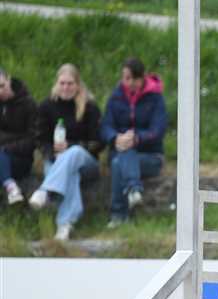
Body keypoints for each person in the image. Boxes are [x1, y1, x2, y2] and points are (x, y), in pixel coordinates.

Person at [28, 64, 104, 240]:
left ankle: (45, 190)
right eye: (62, 83)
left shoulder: (90, 107)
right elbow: (39, 139)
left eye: (70, 83)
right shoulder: (47, 106)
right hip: (55, 159)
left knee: (74, 153)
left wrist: (70, 146)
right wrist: (52, 151)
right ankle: (65, 225)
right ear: (57, 83)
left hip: (86, 162)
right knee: (70, 173)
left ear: (78, 84)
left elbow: (99, 142)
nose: (66, 87)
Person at [100, 57, 167, 227]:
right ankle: (134, 188)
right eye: (124, 78)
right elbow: (105, 126)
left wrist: (136, 138)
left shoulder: (156, 99)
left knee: (119, 162)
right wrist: (116, 138)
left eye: (130, 78)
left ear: (140, 78)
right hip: (120, 149)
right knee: (120, 158)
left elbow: (158, 130)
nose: (126, 82)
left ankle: (118, 215)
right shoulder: (116, 97)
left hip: (150, 156)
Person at [0, 67, 37, 206]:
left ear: (8, 80)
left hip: (20, 159)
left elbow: (33, 139)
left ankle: (12, 188)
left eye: (2, 86)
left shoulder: (28, 104)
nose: (0, 91)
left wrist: (6, 147)